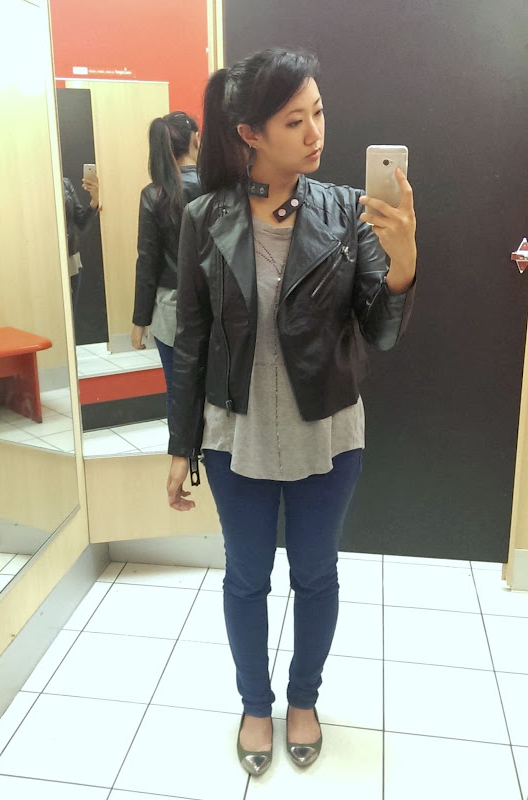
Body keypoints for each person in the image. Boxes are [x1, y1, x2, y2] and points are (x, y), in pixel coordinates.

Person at [166, 49, 416, 776]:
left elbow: (380, 331)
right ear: (249, 133)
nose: (316, 133)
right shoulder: (205, 217)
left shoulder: (345, 210)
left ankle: (303, 700)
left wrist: (402, 264)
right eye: (295, 120)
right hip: (235, 434)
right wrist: (180, 445)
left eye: (319, 113)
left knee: (316, 573)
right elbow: (190, 338)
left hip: (327, 432)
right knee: (246, 577)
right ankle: (255, 703)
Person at [131, 112, 202, 418]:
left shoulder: (153, 194)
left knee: (178, 391)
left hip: (172, 308)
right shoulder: (219, 188)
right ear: (196, 139)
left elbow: (147, 260)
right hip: (218, 305)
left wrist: (140, 320)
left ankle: (182, 446)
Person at [63, 173, 99, 310]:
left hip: (71, 259)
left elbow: (82, 224)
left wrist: (95, 200)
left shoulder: (65, 183)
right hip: (46, 262)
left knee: (70, 313)